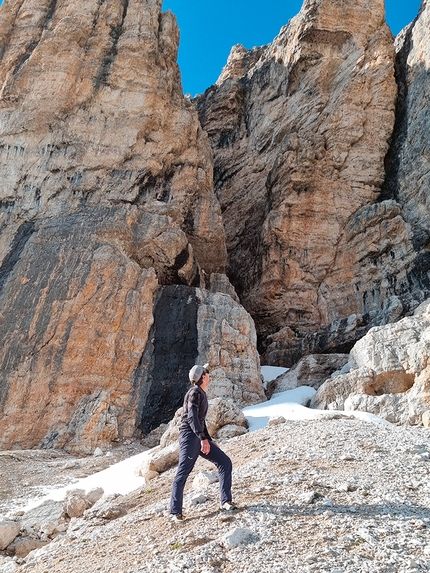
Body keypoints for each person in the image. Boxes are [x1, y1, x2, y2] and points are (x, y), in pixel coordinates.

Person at [170, 364, 237, 521]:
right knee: (182, 473)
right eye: (207, 372)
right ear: (203, 377)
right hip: (189, 437)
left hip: (198, 436)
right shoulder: (194, 392)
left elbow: (200, 420)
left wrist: (209, 439)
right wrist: (202, 438)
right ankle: (175, 512)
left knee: (224, 462)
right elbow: (192, 417)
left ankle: (226, 502)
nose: (209, 373)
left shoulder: (201, 393)